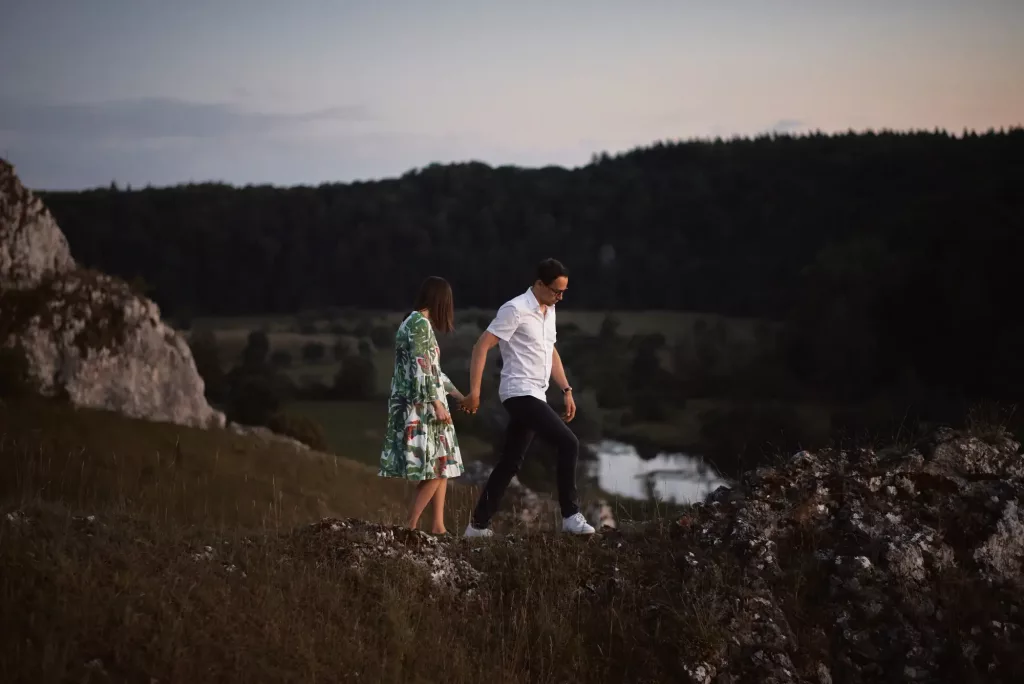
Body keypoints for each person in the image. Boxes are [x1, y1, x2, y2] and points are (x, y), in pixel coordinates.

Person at [459, 258, 595, 536]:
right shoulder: (515, 309)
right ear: (539, 285)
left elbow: (551, 350)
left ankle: (477, 526)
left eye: (563, 292)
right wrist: (475, 391)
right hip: (519, 393)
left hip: (538, 394)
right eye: (556, 291)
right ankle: (571, 516)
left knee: (510, 462)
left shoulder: (549, 310)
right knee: (569, 442)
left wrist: (566, 389)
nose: (560, 297)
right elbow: (481, 346)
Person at [378, 276, 465, 534]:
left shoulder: (416, 323)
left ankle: (438, 526)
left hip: (426, 401)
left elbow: (435, 372)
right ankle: (409, 527)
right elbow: (421, 368)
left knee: (443, 464)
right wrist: (437, 403)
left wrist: (460, 396)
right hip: (423, 406)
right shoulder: (418, 324)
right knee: (438, 468)